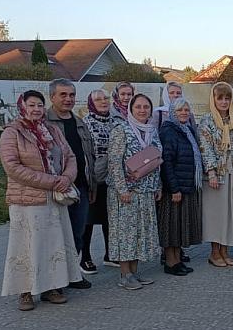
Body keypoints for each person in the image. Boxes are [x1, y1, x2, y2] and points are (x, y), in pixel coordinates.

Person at [0, 91, 82, 311]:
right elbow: (13, 167)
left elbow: (70, 156)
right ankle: (25, 291)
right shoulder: (12, 132)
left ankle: (52, 287)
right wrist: (52, 181)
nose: (36, 109)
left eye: (39, 105)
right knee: (27, 245)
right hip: (27, 201)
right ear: (22, 107)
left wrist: (66, 178)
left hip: (55, 198)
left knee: (53, 243)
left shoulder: (53, 130)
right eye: (31, 105)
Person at [107, 93, 162, 290]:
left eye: (146, 107)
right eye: (138, 107)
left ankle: (135, 273)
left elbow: (156, 161)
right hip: (126, 193)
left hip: (146, 191)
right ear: (130, 109)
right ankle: (125, 274)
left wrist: (158, 186)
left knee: (140, 233)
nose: (142, 110)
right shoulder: (121, 130)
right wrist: (122, 189)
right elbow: (114, 163)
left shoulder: (152, 131)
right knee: (125, 232)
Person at [45, 78, 95, 289]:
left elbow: (88, 155)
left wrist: (91, 184)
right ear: (52, 97)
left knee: (77, 233)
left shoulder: (79, 122)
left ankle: (73, 273)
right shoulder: (45, 123)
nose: (68, 99)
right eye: (63, 95)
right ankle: (54, 280)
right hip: (56, 188)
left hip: (80, 187)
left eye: (72, 95)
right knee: (55, 235)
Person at [198, 82, 233, 268]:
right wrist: (211, 172)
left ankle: (225, 251)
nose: (223, 101)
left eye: (227, 98)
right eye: (220, 98)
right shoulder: (207, 121)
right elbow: (205, 149)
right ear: (213, 99)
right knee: (217, 214)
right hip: (218, 174)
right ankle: (214, 252)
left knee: (232, 211)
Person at [157, 97, 202, 276]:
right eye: (179, 111)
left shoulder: (187, 129)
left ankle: (177, 260)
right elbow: (166, 162)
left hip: (186, 185)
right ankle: (170, 262)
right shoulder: (168, 131)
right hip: (174, 189)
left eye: (186, 110)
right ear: (172, 113)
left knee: (179, 227)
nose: (184, 113)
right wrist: (174, 188)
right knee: (171, 227)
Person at [82, 89, 121, 271]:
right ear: (91, 103)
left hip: (113, 178)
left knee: (109, 218)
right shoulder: (86, 124)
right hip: (94, 178)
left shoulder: (116, 121)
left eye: (105, 98)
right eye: (98, 99)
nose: (103, 102)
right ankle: (86, 257)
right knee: (89, 220)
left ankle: (109, 253)